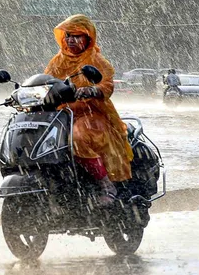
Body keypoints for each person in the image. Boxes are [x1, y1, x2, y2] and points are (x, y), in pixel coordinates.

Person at [45, 14, 134, 206]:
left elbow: (107, 85)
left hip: (91, 113)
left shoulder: (97, 61)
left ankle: (106, 185)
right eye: (68, 35)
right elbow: (45, 82)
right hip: (61, 114)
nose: (71, 40)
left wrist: (93, 90)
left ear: (88, 38)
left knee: (77, 138)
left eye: (77, 36)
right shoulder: (57, 61)